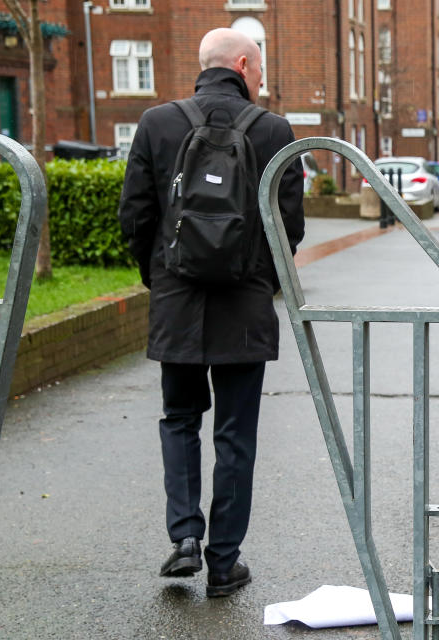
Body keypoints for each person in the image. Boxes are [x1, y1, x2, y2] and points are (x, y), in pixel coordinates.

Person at [118, 28, 304, 597]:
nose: (263, 78)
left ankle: (183, 540)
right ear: (243, 65)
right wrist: (259, 282)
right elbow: (289, 227)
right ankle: (225, 563)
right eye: (262, 67)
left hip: (177, 302)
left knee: (179, 419)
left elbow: (135, 216)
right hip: (243, 306)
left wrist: (163, 279)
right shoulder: (273, 131)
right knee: (235, 435)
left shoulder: (156, 123)